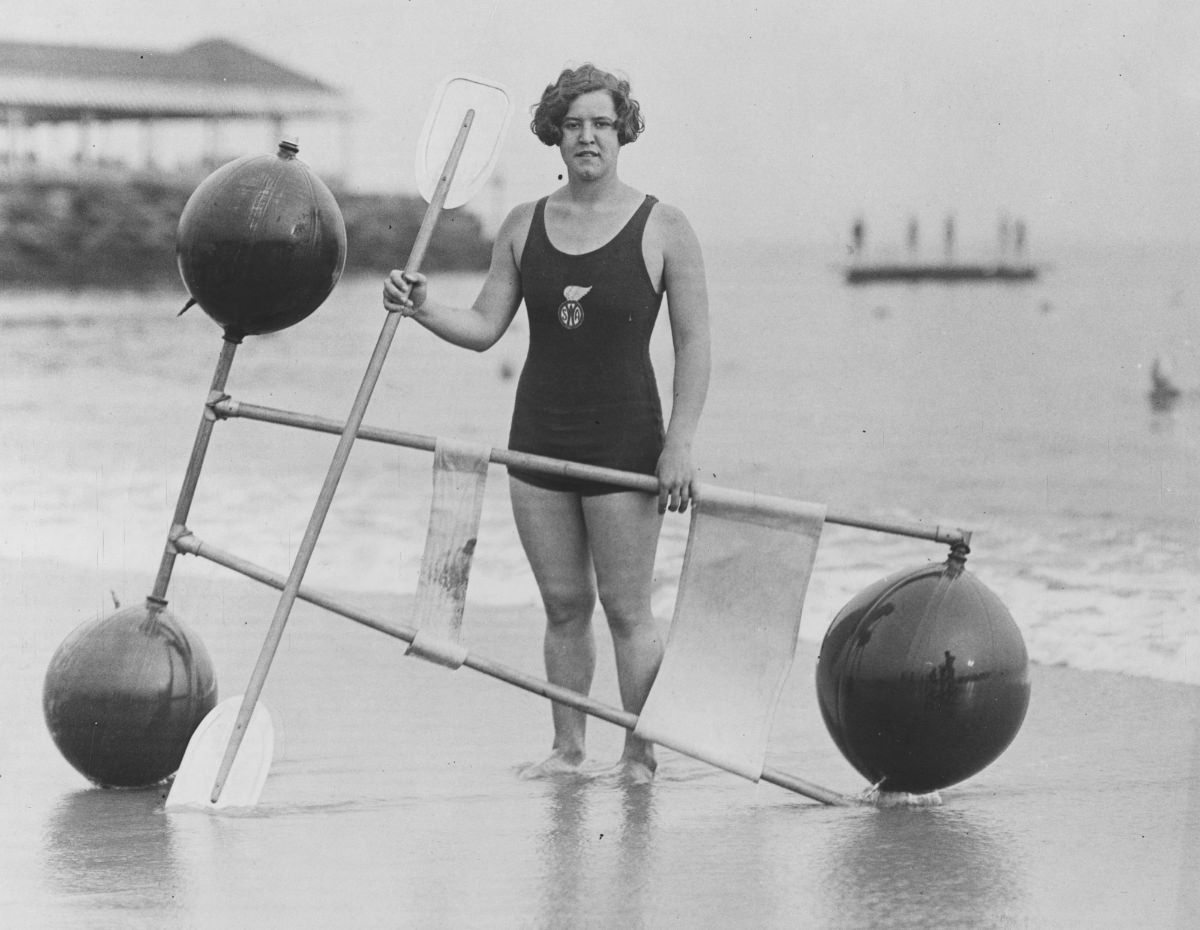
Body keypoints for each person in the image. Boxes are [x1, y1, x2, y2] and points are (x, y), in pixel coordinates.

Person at [383, 65, 711, 783]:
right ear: (554, 136)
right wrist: (419, 307)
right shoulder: (522, 225)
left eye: (600, 122)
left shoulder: (665, 227)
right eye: (573, 124)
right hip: (538, 438)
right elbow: (482, 326)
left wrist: (679, 444)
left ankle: (639, 755)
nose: (587, 135)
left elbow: (695, 347)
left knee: (628, 611)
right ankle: (568, 751)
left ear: (622, 130)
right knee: (564, 606)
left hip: (626, 443)